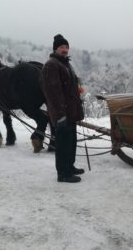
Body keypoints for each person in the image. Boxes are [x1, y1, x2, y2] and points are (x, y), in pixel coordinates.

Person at [42, 34, 85, 183]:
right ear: (55, 49)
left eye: (66, 47)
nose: (65, 50)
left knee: (71, 141)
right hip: (62, 113)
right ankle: (63, 173)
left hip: (71, 111)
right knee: (62, 144)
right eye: (62, 47)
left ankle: (69, 166)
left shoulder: (66, 64)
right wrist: (61, 114)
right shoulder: (51, 65)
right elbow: (53, 92)